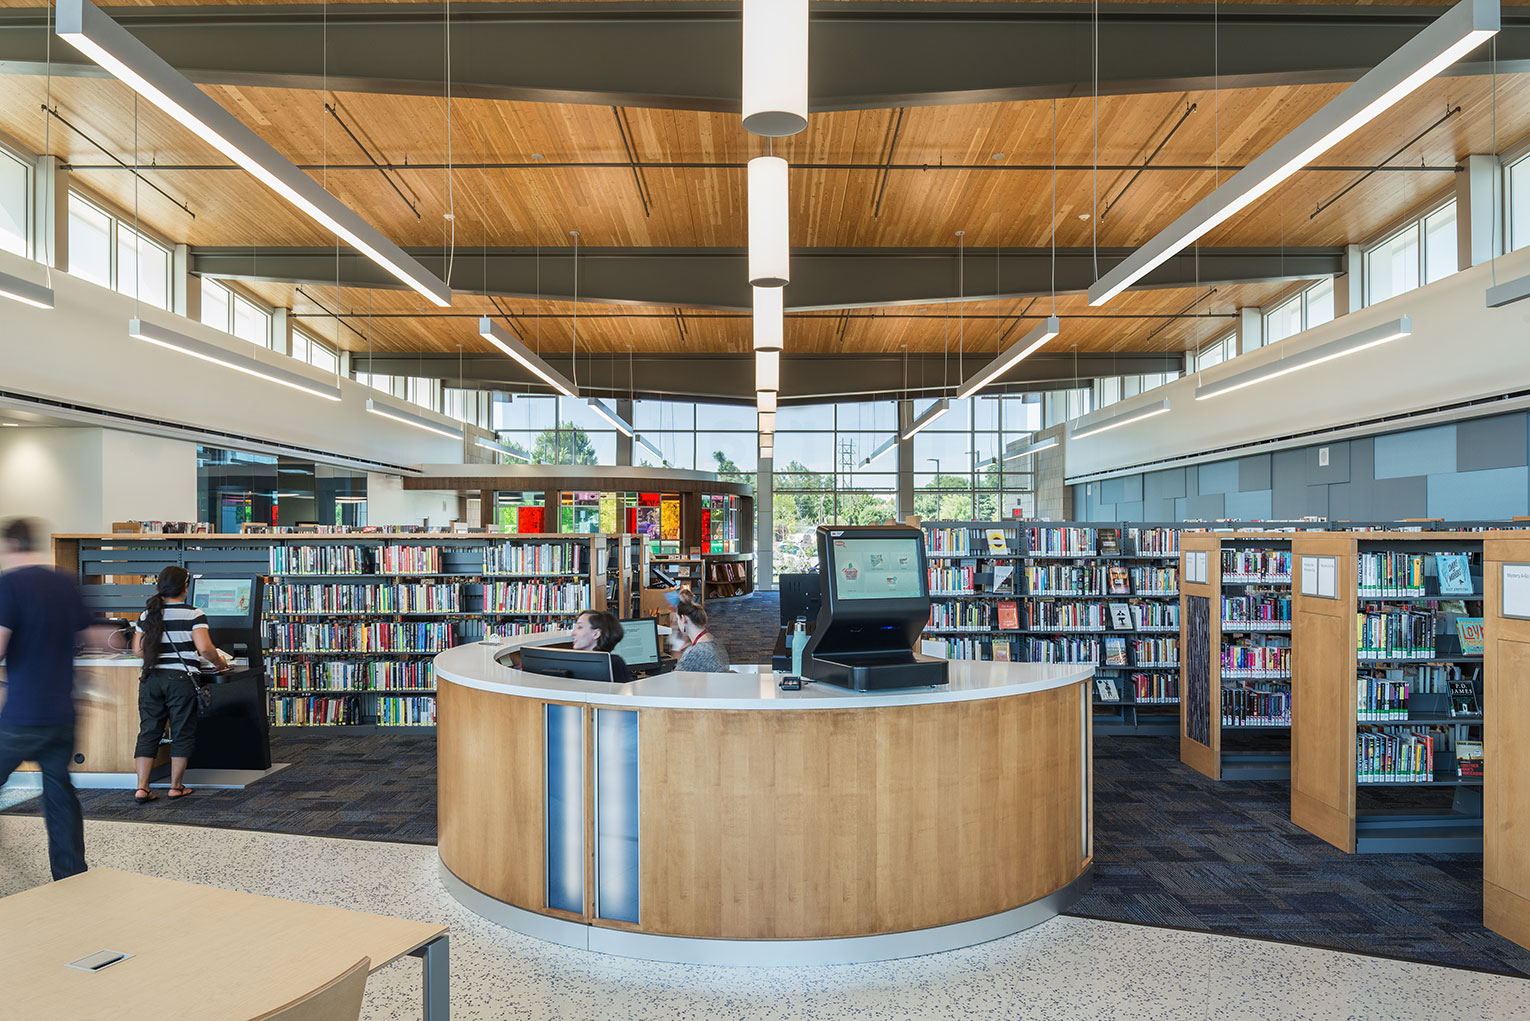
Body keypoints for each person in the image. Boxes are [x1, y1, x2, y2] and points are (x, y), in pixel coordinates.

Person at [0, 517, 91, 880]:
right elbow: (93, 637)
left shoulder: (9, 585)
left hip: (23, 712)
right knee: (59, 793)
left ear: (10, 545)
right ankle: (70, 873)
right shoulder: (64, 582)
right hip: (62, 713)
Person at [131, 566, 227, 804]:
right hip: (181, 681)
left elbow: (138, 650)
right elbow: (204, 648)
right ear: (185, 587)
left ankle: (142, 788)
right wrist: (220, 662)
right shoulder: (194, 614)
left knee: (149, 732)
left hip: (151, 679)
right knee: (182, 731)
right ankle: (176, 786)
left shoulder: (148, 614)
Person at [670, 594, 730, 673]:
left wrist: (684, 658)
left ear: (684, 619)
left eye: (677, 619)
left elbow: (675, 680)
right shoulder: (715, 643)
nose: (677, 623)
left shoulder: (694, 652)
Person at [570, 609, 631, 683]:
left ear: (596, 634)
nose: (573, 633)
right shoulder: (573, 661)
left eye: (580, 627)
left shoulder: (613, 663)